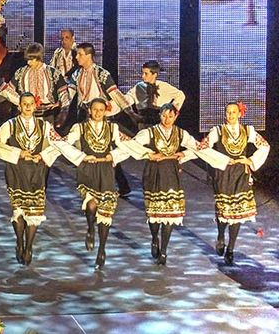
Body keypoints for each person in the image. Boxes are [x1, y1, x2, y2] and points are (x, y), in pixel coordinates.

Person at [0, 92, 65, 266]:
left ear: (35, 106)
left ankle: (29, 245)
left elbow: (60, 143)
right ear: (19, 106)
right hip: (16, 170)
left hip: (36, 171)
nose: (27, 106)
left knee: (35, 210)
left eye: (30, 103)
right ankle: (20, 241)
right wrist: (17, 153)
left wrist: (43, 155)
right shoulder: (9, 125)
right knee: (19, 209)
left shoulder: (44, 125)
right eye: (24, 103)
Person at [129, 103, 203, 265]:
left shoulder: (181, 133)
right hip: (154, 173)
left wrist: (184, 154)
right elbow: (132, 145)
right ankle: (154, 238)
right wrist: (149, 154)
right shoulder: (150, 132)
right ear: (160, 115)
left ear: (176, 116)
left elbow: (199, 148)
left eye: (170, 116)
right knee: (154, 212)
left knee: (169, 213)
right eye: (164, 115)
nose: (167, 119)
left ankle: (164, 251)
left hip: (171, 173)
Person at [62, 98, 131, 269]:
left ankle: (102, 249)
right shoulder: (80, 128)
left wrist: (113, 156)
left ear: (105, 111)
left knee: (105, 211)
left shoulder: (112, 128)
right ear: (89, 110)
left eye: (101, 110)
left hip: (106, 171)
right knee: (91, 204)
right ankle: (90, 228)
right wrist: (82, 157)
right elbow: (63, 144)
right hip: (88, 170)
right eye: (95, 109)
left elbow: (129, 145)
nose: (98, 113)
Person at [203, 101, 271, 266]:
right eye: (228, 112)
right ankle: (221, 236)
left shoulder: (248, 131)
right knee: (224, 210)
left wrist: (250, 160)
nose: (230, 115)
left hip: (241, 174)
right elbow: (203, 147)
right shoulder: (218, 131)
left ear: (240, 114)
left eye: (234, 112)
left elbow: (265, 146)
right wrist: (221, 160)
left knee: (238, 212)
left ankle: (231, 248)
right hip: (223, 175)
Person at [67, 42, 133, 196]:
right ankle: (91, 185)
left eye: (80, 54)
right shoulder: (77, 74)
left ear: (89, 56)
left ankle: (121, 185)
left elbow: (115, 94)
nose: (76, 57)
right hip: (84, 114)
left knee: (105, 150)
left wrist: (130, 112)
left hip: (100, 116)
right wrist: (62, 108)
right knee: (86, 150)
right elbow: (70, 93)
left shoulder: (102, 74)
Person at [9, 43, 71, 125]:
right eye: (27, 59)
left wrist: (63, 109)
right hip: (26, 115)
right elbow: (9, 90)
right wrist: (19, 101)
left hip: (48, 116)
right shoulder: (20, 72)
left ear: (39, 58)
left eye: (31, 59)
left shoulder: (53, 73)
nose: (28, 62)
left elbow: (63, 93)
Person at [124, 61, 186, 130]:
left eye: (146, 74)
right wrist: (131, 114)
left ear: (154, 75)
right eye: (143, 73)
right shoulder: (139, 87)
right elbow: (127, 99)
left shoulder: (164, 86)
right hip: (143, 125)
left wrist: (171, 112)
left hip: (160, 125)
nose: (143, 76)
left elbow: (180, 95)